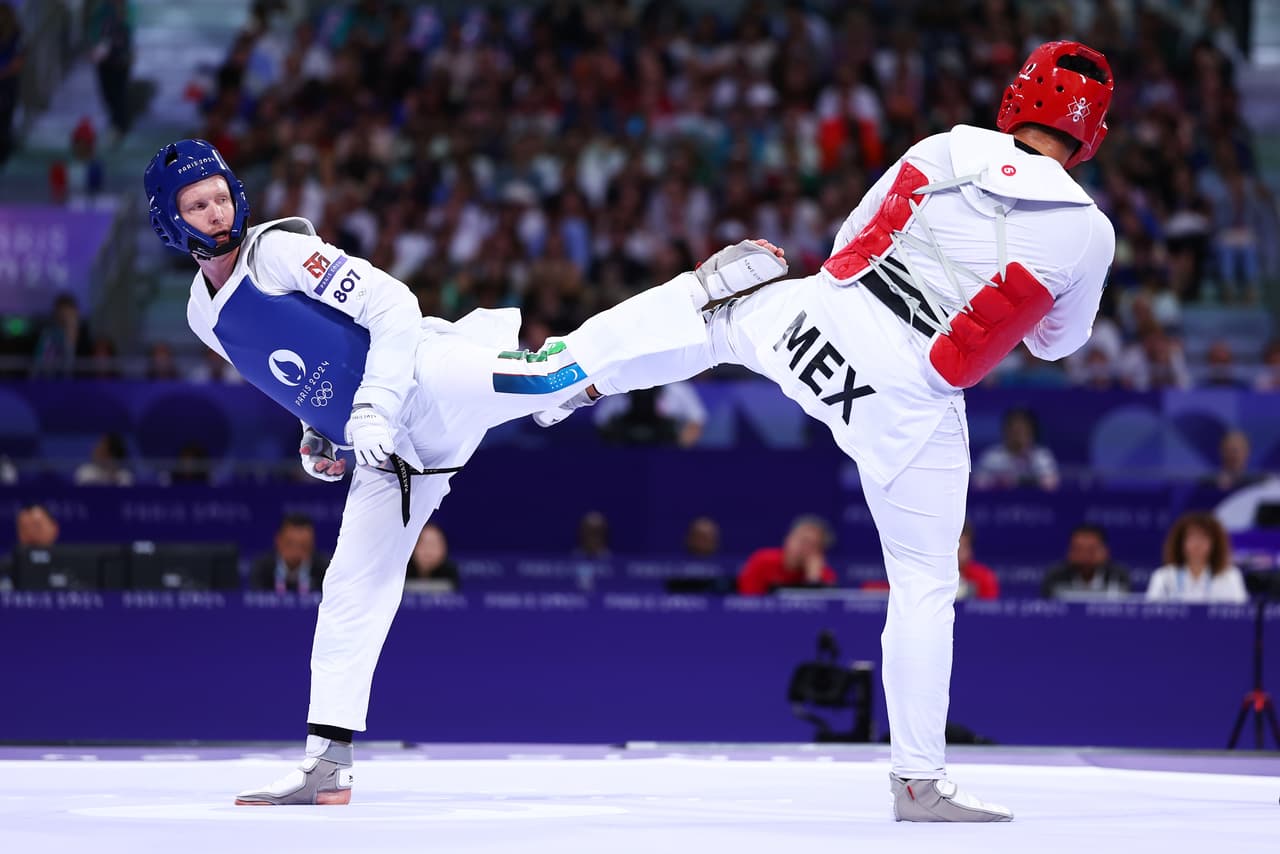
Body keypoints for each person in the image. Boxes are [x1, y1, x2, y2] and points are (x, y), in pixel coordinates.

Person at [539, 41, 1116, 821]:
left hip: (824, 321)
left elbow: (850, 239)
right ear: (1092, 133)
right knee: (922, 583)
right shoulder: (1089, 231)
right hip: (910, 402)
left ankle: (570, 371)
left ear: (1017, 97)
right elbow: (1056, 343)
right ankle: (917, 781)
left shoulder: (943, 146)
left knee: (717, 314)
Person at [143, 137, 762, 805]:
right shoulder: (202, 316)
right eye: (195, 204)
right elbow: (288, 370)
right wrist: (317, 432)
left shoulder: (281, 250)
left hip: (427, 381)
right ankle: (327, 764)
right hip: (400, 456)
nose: (214, 210)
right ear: (171, 222)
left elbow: (392, 307)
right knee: (353, 586)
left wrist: (374, 406)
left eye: (218, 195)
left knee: (552, 372)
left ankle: (697, 295)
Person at [1145, 511, 1248, 604]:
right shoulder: (1163, 577)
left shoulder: (1230, 576)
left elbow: (1239, 616)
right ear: (1180, 542)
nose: (1197, 544)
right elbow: (1151, 616)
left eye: (1204, 537)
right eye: (1191, 537)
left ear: (1215, 543)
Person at [737, 515, 837, 595]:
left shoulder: (823, 574)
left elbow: (820, 611)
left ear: (820, 552)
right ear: (788, 539)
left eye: (812, 545)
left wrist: (813, 581)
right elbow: (748, 600)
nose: (803, 547)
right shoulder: (762, 560)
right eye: (802, 540)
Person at [973, 407, 1060, 491]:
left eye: (1022, 430)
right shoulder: (992, 457)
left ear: (1031, 431)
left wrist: (1017, 481)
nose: (1018, 436)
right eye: (1014, 430)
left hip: (1035, 504)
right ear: (1006, 431)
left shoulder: (1042, 456)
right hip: (999, 503)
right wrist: (1002, 482)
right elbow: (979, 484)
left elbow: (1051, 484)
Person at [1041, 524, 1131, 599]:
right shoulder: (1055, 576)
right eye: (1079, 549)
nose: (1085, 556)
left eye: (1091, 550)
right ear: (1070, 551)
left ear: (1105, 551)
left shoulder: (1118, 575)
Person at [250, 513, 329, 595]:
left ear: (312, 544)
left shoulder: (325, 570)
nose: (296, 552)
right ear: (278, 541)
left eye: (303, 546)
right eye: (290, 544)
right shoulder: (261, 568)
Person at [404, 522, 459, 592]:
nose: (428, 551)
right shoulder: (402, 572)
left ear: (444, 548)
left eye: (433, 545)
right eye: (423, 545)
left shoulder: (451, 573)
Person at [956, 524, 999, 600]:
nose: (960, 552)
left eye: (964, 546)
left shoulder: (984, 577)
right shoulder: (936, 575)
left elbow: (990, 607)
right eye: (957, 547)